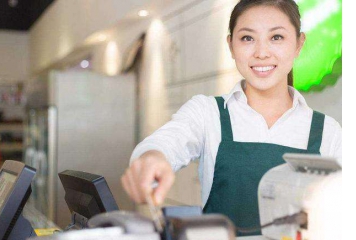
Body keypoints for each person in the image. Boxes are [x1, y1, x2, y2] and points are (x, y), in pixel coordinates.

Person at [121, 0, 342, 236]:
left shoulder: (328, 132)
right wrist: (152, 158)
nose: (261, 52)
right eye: (247, 38)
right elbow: (165, 143)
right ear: (231, 45)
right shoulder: (207, 113)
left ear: (299, 44)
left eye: (276, 37)